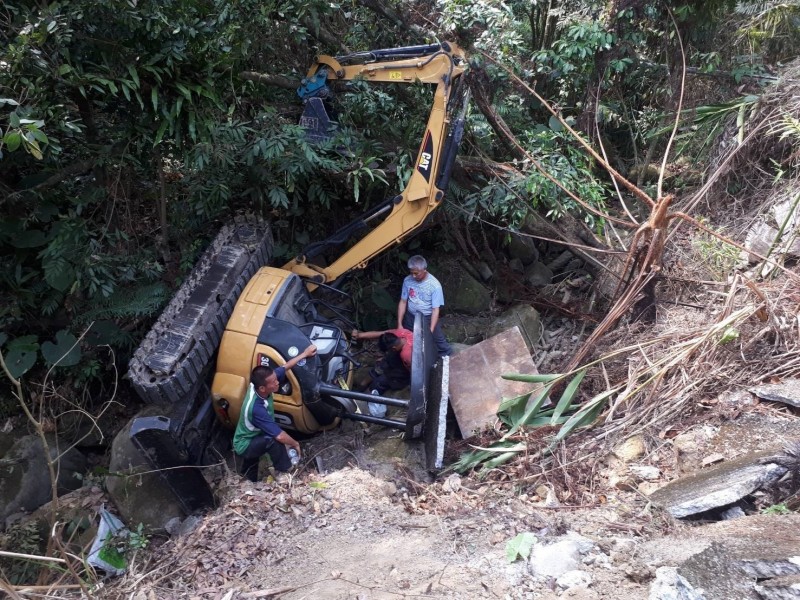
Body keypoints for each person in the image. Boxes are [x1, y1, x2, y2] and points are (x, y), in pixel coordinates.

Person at [233, 344, 317, 482]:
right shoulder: (256, 408)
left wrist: (304, 354)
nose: (277, 383)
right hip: (245, 444)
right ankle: (285, 472)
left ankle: (248, 480)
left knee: (251, 467)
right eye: (273, 382)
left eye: (276, 379)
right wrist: (295, 443)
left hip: (253, 435)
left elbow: (284, 367)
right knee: (272, 440)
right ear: (262, 388)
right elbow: (279, 436)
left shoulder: (264, 382)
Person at [397, 255, 452, 357]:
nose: (413, 276)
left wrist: (430, 331)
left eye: (416, 273)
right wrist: (399, 324)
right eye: (411, 272)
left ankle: (446, 361)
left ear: (424, 270)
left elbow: (435, 310)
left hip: (427, 317)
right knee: (407, 339)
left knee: (441, 344)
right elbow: (403, 301)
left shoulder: (434, 285)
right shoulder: (407, 281)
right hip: (411, 316)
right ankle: (413, 360)